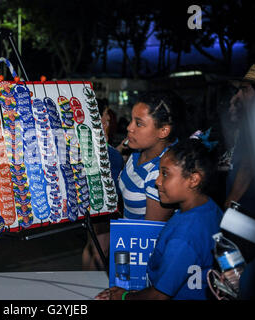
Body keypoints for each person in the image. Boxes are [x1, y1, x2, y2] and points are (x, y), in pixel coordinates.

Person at [96, 137, 223, 300]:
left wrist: (124, 297)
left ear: (193, 179)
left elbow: (159, 295)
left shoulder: (185, 237)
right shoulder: (208, 208)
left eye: (165, 174)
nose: (157, 181)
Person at [118, 91, 189, 221]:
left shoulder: (161, 174)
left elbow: (149, 235)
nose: (129, 127)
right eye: (131, 120)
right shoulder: (138, 150)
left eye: (139, 124)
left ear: (163, 131)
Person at [82, 102, 124, 270]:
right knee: (101, 249)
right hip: (103, 204)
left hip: (93, 201)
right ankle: (92, 287)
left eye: (108, 121)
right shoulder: (103, 149)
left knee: (92, 247)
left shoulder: (89, 143)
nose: (107, 124)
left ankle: (88, 281)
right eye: (104, 120)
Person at [225, 65, 255, 219]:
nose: (240, 96)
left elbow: (247, 167)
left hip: (247, 208)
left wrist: (230, 203)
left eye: (245, 90)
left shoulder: (254, 121)